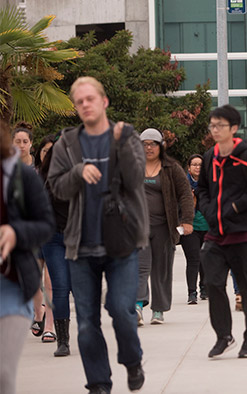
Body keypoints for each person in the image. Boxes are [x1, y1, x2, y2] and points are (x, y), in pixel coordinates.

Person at [48, 76, 147, 393]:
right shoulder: (67, 143)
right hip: (81, 245)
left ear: (104, 102)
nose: (85, 105)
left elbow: (135, 179)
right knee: (88, 322)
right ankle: (99, 383)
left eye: (90, 99)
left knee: (121, 309)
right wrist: (78, 172)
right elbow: (58, 188)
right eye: (79, 102)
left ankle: (132, 361)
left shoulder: (124, 135)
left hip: (122, 241)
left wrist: (120, 144)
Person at [197, 105, 247, 359]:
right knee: (214, 284)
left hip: (243, 235)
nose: (214, 130)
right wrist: (208, 210)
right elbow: (203, 189)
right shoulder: (209, 157)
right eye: (212, 125)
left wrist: (239, 206)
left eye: (219, 125)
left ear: (233, 128)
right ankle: (223, 336)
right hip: (215, 234)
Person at [0, 122, 55, 393]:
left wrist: (15, 231)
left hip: (10, 286)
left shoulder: (22, 176)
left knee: (2, 373)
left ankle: (45, 319)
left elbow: (46, 224)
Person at [135, 128, 194, 325]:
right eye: (144, 144)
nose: (148, 148)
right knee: (139, 267)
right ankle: (136, 306)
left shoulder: (171, 168)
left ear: (161, 146)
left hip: (164, 226)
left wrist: (187, 220)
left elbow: (185, 194)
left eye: (152, 144)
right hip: (138, 226)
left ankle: (158, 310)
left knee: (161, 269)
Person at [38, 132, 75, 357]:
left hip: (79, 239)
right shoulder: (44, 177)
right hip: (53, 239)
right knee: (60, 288)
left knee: (80, 288)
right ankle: (63, 340)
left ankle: (90, 333)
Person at [179, 154, 209, 304]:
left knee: (205, 259)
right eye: (195, 165)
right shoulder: (182, 184)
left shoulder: (209, 183)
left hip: (208, 227)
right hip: (189, 227)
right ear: (189, 168)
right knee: (193, 259)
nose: (198, 167)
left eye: (200, 165)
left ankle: (204, 287)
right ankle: (192, 292)